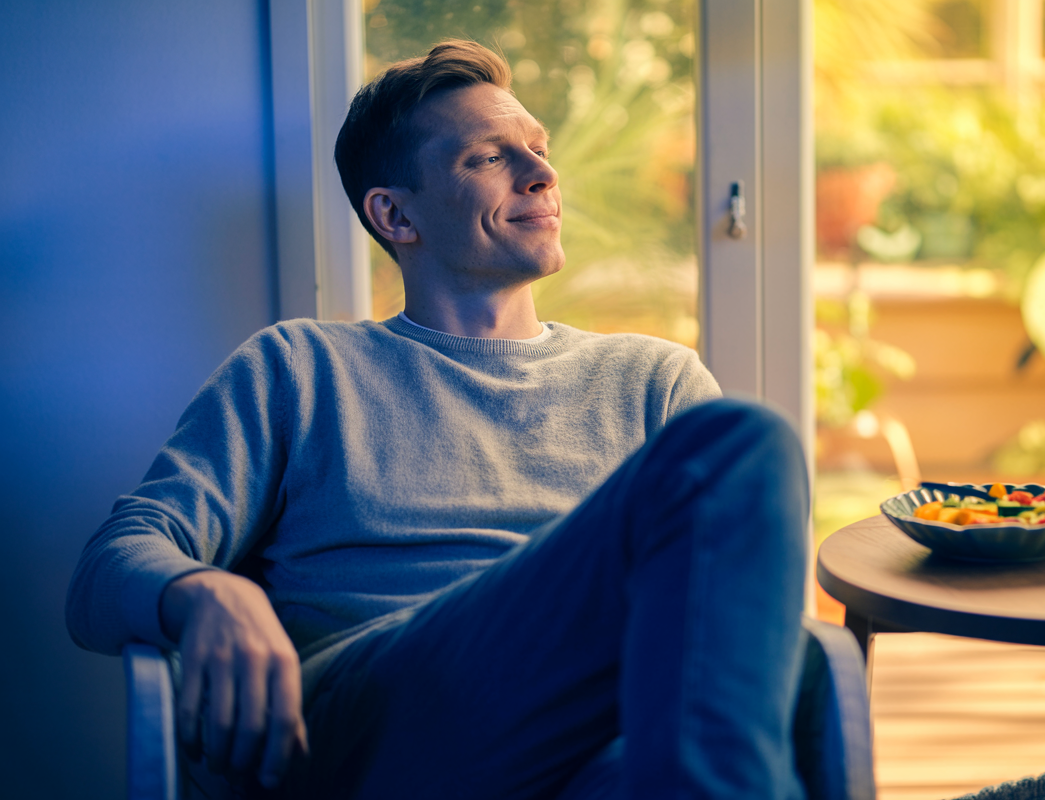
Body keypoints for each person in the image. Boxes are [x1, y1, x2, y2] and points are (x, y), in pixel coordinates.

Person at [66, 39, 811, 799]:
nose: (543, 174)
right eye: (487, 157)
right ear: (395, 214)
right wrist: (206, 592)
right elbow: (109, 565)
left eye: (539, 149)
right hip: (376, 725)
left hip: (589, 747)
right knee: (740, 445)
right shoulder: (301, 369)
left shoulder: (653, 381)